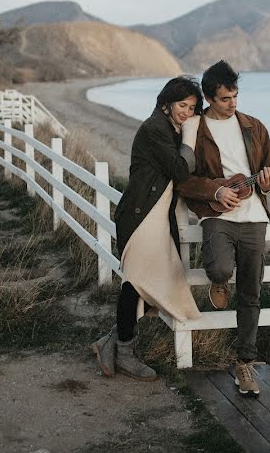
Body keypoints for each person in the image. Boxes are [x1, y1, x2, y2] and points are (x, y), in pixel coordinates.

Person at [177, 60, 270, 397]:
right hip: (217, 214)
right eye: (224, 98)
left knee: (251, 292)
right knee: (220, 267)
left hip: (253, 219)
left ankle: (244, 362)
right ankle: (219, 281)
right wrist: (215, 191)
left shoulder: (254, 127)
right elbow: (183, 179)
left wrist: (268, 181)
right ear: (208, 97)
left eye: (235, 96)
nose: (233, 103)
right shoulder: (195, 128)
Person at [91, 76, 203, 381]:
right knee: (139, 281)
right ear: (166, 103)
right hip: (141, 218)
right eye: (182, 105)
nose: (187, 112)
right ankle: (123, 350)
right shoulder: (156, 129)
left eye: (193, 107)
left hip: (156, 217)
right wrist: (191, 137)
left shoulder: (170, 130)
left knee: (153, 280)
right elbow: (180, 170)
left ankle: (113, 341)